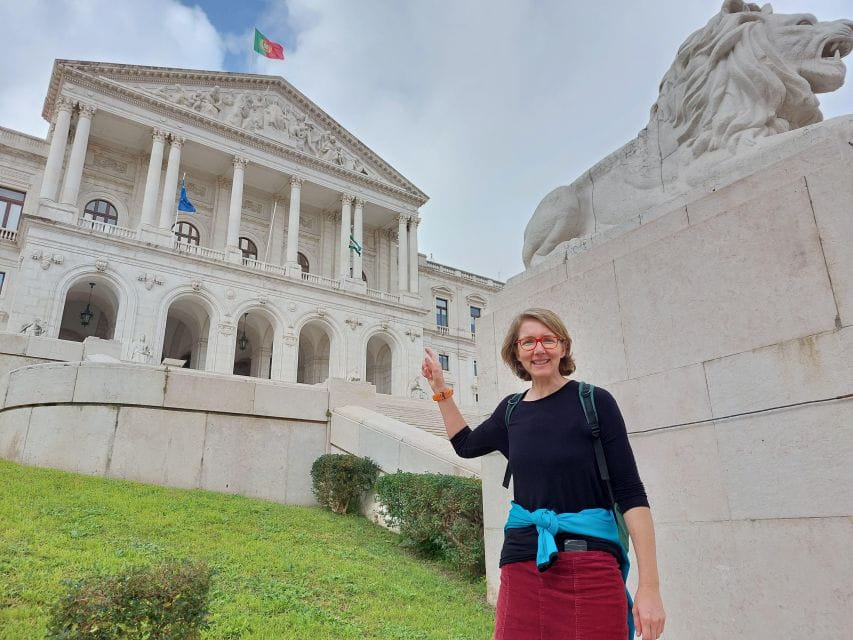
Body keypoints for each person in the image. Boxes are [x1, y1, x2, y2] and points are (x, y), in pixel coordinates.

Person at [421, 308, 665, 640]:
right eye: (528, 342)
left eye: (548, 339)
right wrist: (440, 387)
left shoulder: (595, 402)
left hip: (591, 566)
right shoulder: (511, 410)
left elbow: (631, 493)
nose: (539, 349)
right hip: (522, 564)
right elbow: (464, 444)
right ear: (516, 353)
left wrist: (649, 587)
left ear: (563, 347)